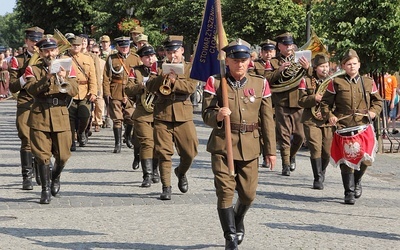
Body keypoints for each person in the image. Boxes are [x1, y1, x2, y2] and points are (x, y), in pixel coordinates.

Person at [202, 39, 276, 249]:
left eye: (243, 60)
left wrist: (270, 151)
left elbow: (267, 120)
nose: (240, 64)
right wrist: (217, 115)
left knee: (248, 194)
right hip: (223, 145)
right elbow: (206, 114)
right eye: (235, 60)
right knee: (225, 191)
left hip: (250, 146)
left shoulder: (260, 83)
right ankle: (230, 235)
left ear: (249, 61)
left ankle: (237, 217)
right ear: (228, 61)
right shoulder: (216, 82)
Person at [319, 49, 382, 205]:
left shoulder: (368, 82)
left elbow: (378, 101)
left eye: (354, 64)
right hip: (343, 125)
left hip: (363, 124)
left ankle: (357, 180)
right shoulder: (336, 82)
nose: (352, 67)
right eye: (348, 64)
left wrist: (373, 112)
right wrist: (330, 116)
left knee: (366, 158)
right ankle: (349, 192)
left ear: (359, 65)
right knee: (347, 160)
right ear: (343, 66)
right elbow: (325, 103)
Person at [24, 37, 79, 204]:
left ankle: (55, 177)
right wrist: (47, 77)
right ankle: (45, 189)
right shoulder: (31, 69)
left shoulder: (68, 67)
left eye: (52, 50)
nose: (50, 53)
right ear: (40, 53)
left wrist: (65, 78)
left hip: (60, 114)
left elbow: (75, 90)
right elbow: (32, 90)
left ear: (57, 51)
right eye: (46, 50)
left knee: (63, 155)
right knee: (42, 156)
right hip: (40, 114)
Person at [146, 35, 198, 200]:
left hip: (183, 114)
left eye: (175, 51)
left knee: (190, 152)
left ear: (182, 51)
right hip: (162, 113)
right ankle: (166, 186)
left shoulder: (189, 68)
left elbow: (190, 87)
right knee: (164, 153)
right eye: (169, 52)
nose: (172, 55)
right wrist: (163, 77)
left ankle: (181, 172)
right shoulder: (158, 67)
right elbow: (150, 86)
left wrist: (174, 81)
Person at [264, 32, 312, 176]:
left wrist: (307, 67)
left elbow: (312, 76)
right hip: (282, 102)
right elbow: (266, 80)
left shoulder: (300, 58)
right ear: (279, 46)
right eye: (286, 45)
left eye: (290, 44)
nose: (289, 47)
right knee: (284, 135)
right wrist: (279, 70)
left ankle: (291, 156)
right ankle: (285, 163)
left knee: (299, 135)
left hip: (298, 101)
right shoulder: (272, 62)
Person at [8, 26, 44, 190]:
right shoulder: (18, 60)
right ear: (26, 41)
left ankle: (39, 167)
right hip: (25, 102)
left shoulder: (47, 59)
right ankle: (26, 176)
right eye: (32, 41)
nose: (34, 44)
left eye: (37, 41)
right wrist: (24, 77)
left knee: (42, 139)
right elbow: (13, 87)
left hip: (43, 103)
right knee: (26, 138)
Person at [125, 45, 160, 187]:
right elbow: (128, 89)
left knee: (158, 144)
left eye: (152, 56)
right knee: (147, 143)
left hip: (159, 111)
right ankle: (147, 175)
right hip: (142, 112)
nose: (150, 59)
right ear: (141, 59)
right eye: (146, 57)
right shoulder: (136, 71)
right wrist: (142, 85)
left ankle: (155, 170)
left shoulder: (161, 69)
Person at [298, 53, 334, 190]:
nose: (325, 69)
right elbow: (300, 101)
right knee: (315, 149)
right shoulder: (305, 80)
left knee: (327, 151)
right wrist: (314, 98)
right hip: (311, 119)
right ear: (315, 67)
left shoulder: (332, 81)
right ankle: (317, 178)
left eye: (326, 66)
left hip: (326, 120)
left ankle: (322, 171)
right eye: (321, 67)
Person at [103, 36, 141, 153]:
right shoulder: (111, 58)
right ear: (118, 47)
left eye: (126, 46)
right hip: (116, 90)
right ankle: (117, 143)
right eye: (122, 47)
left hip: (130, 92)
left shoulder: (135, 58)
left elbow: (138, 76)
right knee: (117, 119)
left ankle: (128, 136)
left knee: (130, 117)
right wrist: (106, 93)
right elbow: (106, 78)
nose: (124, 49)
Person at [66, 36, 97, 151]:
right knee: (70, 118)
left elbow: (92, 77)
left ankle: (81, 132)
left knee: (85, 115)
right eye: (74, 45)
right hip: (70, 91)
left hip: (85, 92)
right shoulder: (64, 58)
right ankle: (71, 140)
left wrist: (93, 91)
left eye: (78, 45)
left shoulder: (88, 58)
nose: (76, 47)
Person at [91, 44, 106, 132]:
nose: (94, 53)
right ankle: (92, 121)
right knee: (92, 104)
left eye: (96, 52)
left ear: (99, 53)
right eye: (93, 52)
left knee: (99, 105)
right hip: (92, 84)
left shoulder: (103, 62)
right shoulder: (89, 60)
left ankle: (99, 121)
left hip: (100, 85)